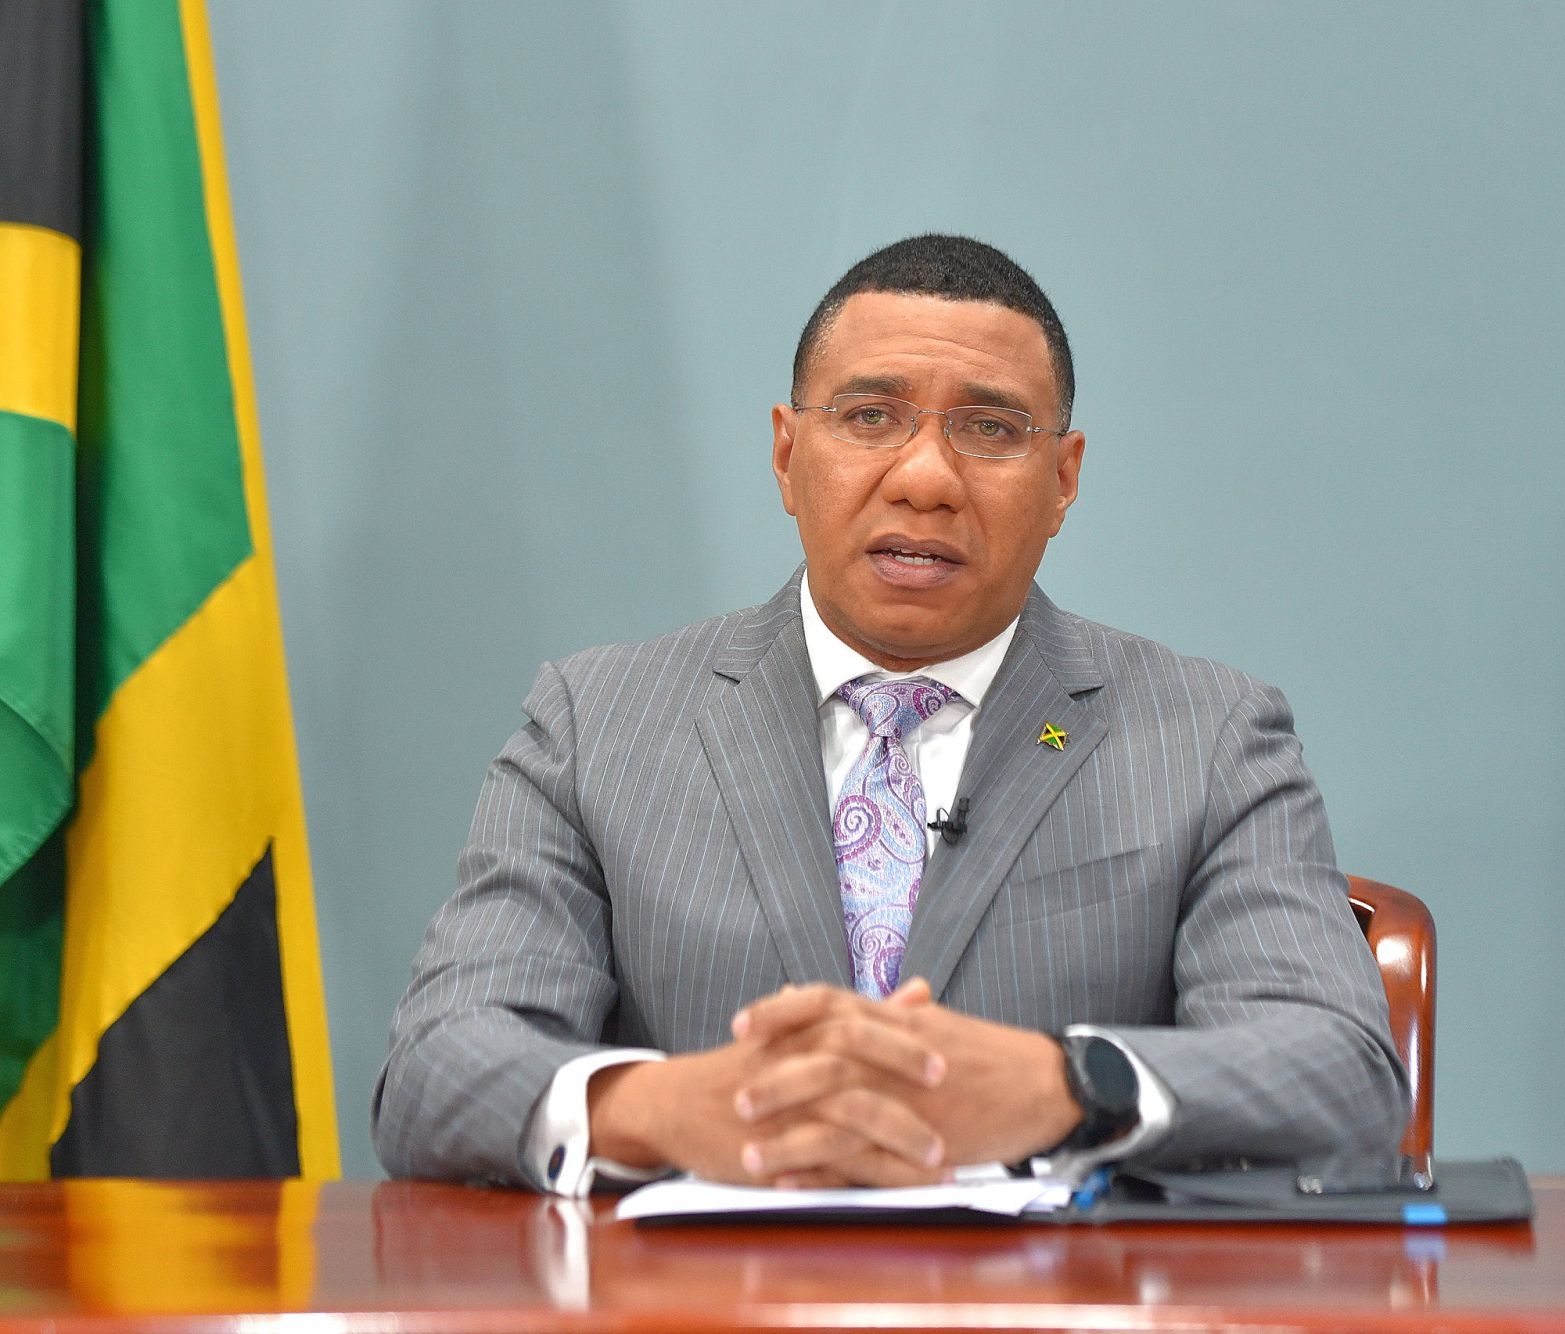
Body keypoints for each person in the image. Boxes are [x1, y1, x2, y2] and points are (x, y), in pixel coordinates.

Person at [373, 235, 1407, 1194]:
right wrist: (663, 1108)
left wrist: (1066, 1085)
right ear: (786, 455)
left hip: (1055, 1297)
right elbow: (435, 1066)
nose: (923, 478)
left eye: (989, 429)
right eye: (869, 416)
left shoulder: (1209, 737)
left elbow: (1338, 1071)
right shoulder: (596, 724)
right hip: (696, 1294)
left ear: (1062, 481)